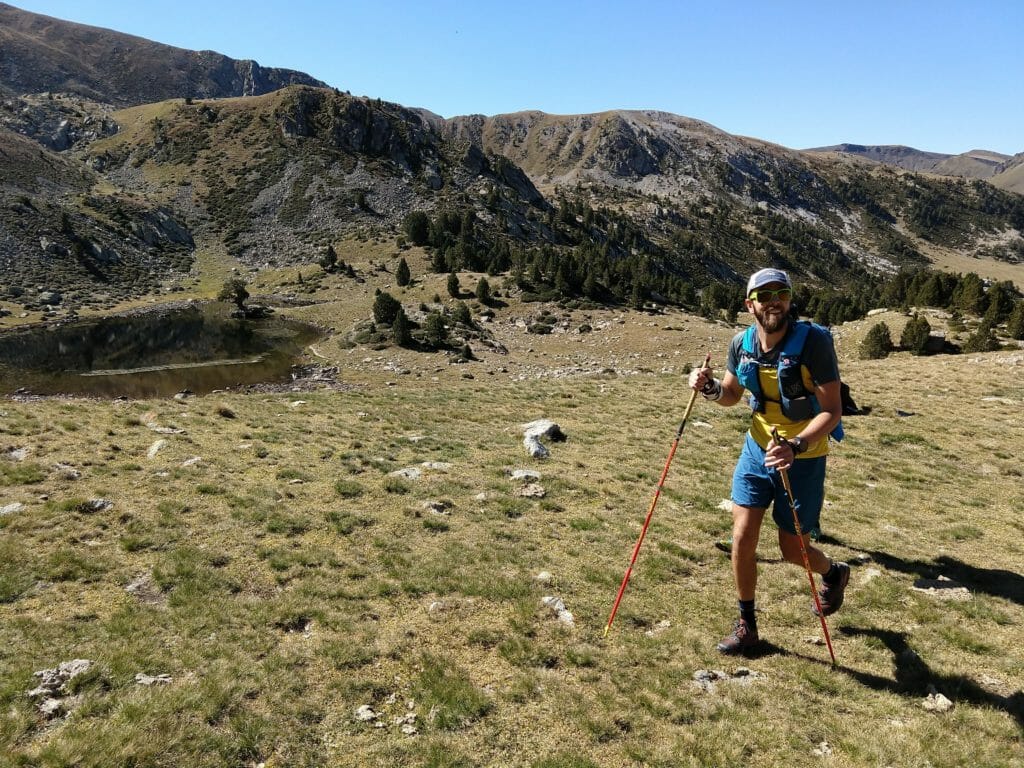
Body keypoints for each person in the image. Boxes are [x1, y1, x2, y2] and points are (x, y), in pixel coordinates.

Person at [689, 268, 850, 654]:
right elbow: (730, 394)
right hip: (757, 449)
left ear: (790, 301)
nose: (773, 300)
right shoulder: (740, 344)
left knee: (793, 551)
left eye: (781, 292)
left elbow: (831, 411)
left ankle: (834, 573)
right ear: (750, 305)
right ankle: (747, 625)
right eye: (764, 295)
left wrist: (794, 445)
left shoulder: (813, 344)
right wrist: (709, 388)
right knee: (742, 536)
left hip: (804, 456)